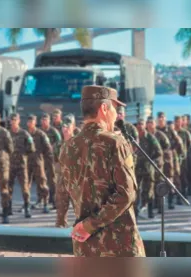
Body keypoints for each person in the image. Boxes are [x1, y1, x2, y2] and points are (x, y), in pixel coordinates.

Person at [57, 85, 145, 257]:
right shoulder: (115, 143)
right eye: (115, 108)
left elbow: (64, 192)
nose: (117, 114)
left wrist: (79, 226)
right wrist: (90, 225)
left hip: (85, 247)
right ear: (104, 108)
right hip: (119, 247)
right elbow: (126, 194)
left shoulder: (68, 147)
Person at [7, 113, 35, 218]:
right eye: (11, 120)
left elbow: (31, 148)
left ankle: (27, 208)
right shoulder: (7, 134)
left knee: (25, 188)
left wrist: (23, 155)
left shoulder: (24, 134)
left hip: (21, 165)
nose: (13, 122)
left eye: (15, 120)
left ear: (18, 121)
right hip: (10, 165)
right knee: (8, 188)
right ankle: (8, 208)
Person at [26, 114, 52, 214]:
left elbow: (48, 148)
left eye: (31, 121)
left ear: (35, 122)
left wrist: (45, 160)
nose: (30, 123)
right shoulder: (26, 134)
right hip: (27, 162)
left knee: (42, 183)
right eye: (28, 122)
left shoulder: (41, 134)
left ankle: (45, 204)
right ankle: (27, 204)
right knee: (26, 184)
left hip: (38, 162)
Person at [55, 118, 74, 228]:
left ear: (72, 128)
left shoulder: (78, 143)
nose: (65, 129)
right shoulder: (58, 145)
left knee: (80, 212)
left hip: (76, 182)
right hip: (62, 182)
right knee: (61, 211)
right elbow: (55, 160)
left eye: (68, 127)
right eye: (63, 127)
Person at [40, 113, 61, 208]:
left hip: (51, 158)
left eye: (46, 120)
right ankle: (42, 199)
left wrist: (54, 148)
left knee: (52, 179)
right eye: (43, 120)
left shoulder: (53, 131)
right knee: (42, 178)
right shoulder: (40, 131)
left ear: (49, 121)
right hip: (41, 158)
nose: (44, 122)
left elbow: (59, 141)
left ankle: (54, 199)